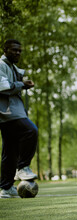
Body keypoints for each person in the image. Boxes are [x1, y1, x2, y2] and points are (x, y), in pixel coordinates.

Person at [0, 39, 38, 198]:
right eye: (14, 50)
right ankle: (23, 167)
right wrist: (22, 85)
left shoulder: (12, 67)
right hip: (7, 112)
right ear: (5, 50)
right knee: (31, 131)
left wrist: (22, 83)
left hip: (9, 113)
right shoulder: (1, 65)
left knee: (10, 150)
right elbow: (3, 87)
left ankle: (6, 187)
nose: (18, 53)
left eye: (20, 51)